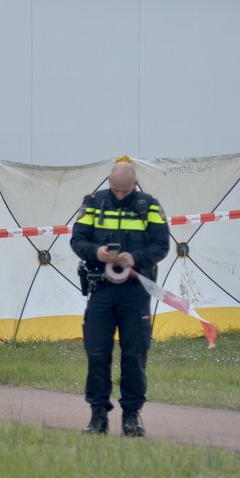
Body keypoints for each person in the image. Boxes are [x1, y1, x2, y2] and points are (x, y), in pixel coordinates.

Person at [69, 159, 170, 437]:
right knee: (97, 354)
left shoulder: (149, 205)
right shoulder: (93, 203)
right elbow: (77, 240)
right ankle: (97, 417)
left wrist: (134, 257)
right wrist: (96, 253)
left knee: (135, 355)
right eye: (116, 189)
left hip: (135, 292)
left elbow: (162, 245)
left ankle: (132, 416)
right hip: (101, 289)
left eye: (126, 190)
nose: (121, 195)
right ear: (109, 182)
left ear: (135, 184)